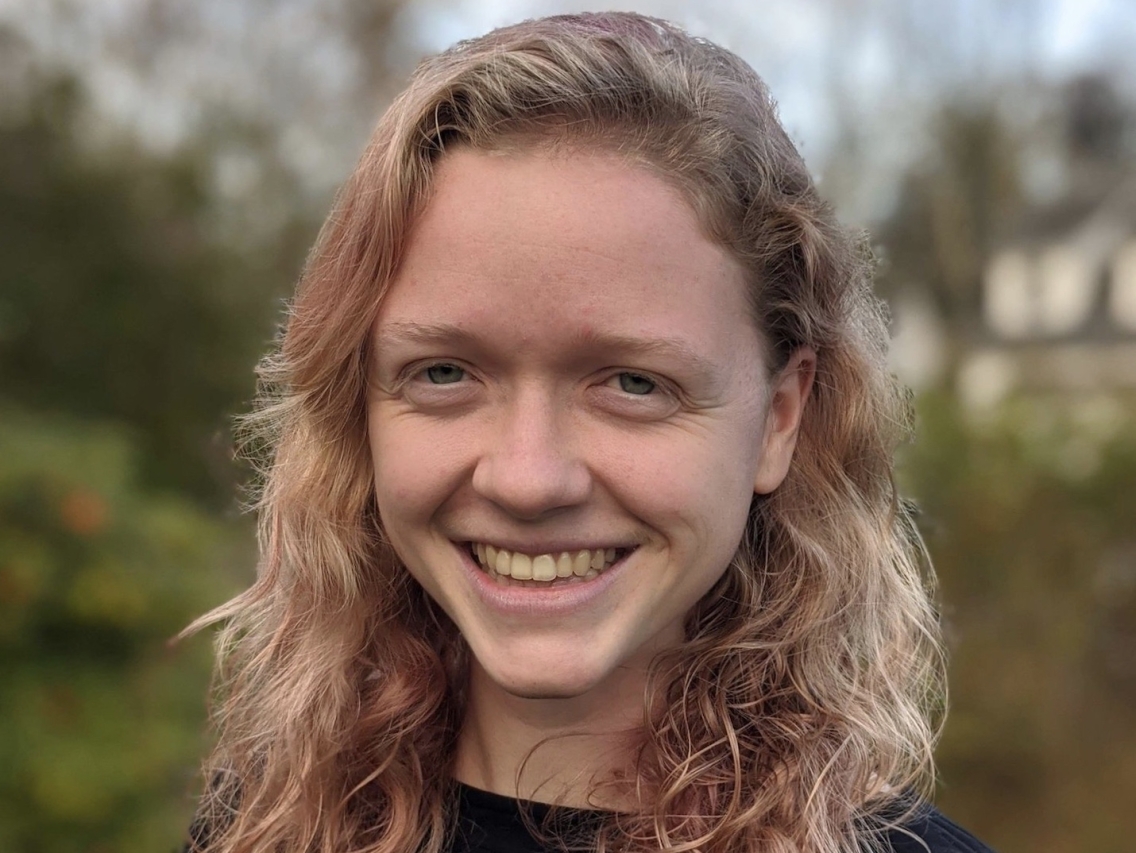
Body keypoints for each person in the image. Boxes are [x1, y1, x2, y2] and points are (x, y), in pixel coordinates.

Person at [183, 12, 994, 853]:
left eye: (634, 384)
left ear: (779, 418)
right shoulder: (261, 826)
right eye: (446, 373)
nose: (527, 479)